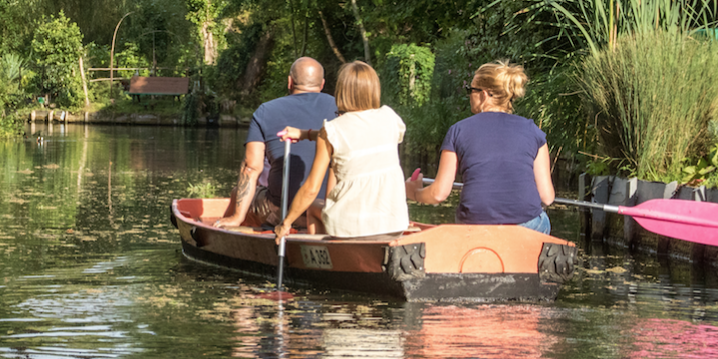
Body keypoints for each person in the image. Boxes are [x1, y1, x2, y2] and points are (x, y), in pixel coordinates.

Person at [404, 61, 554, 232]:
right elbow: (547, 197)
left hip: (475, 226)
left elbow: (439, 193)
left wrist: (414, 193)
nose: (469, 95)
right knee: (541, 220)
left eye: (471, 90)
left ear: (483, 94)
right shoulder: (533, 131)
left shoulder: (458, 130)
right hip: (528, 226)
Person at [275, 60, 410, 241]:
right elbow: (359, 135)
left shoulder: (331, 131)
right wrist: (306, 134)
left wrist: (286, 223)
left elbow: (311, 189)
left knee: (314, 207)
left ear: (341, 92)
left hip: (350, 229)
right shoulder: (390, 118)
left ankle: (319, 264)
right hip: (395, 224)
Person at [214, 57, 339, 228]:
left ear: (290, 82)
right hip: (327, 209)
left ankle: (228, 230)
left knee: (238, 193)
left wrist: (237, 215)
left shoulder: (265, 111)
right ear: (322, 84)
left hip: (282, 209)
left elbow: (251, 167)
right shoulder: (340, 109)